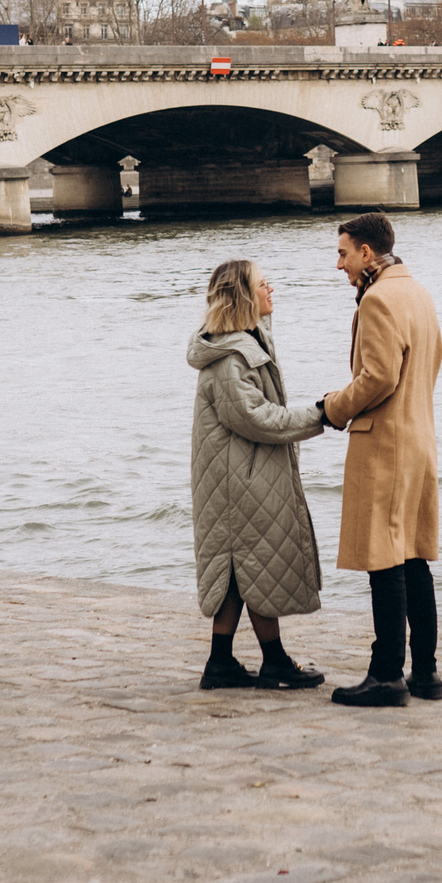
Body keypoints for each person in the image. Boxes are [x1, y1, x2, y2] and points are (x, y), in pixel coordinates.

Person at [187, 259, 331, 692]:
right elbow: (255, 418)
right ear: (244, 297)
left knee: (239, 568)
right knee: (252, 563)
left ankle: (222, 662)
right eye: (263, 283)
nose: (272, 288)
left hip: (238, 473)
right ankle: (273, 662)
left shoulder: (245, 342)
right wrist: (322, 415)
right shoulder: (231, 358)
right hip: (240, 480)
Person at [323, 213, 442, 708]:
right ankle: (426, 673)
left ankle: (386, 675)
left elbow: (377, 379)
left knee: (384, 560)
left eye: (344, 253)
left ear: (367, 253)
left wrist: (333, 407)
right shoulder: (417, 292)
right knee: (413, 557)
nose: (339, 265)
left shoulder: (377, 300)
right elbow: (433, 359)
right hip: (419, 436)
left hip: (385, 441)